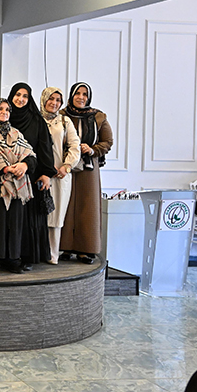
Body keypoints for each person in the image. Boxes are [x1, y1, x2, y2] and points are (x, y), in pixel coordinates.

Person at [0, 98, 36, 274]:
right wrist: (4, 167)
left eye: (7, 110)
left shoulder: (16, 133)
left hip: (16, 186)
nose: (4, 113)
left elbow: (30, 154)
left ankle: (11, 259)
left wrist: (23, 165)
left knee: (14, 224)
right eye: (0, 109)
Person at [60, 82, 113, 264]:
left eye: (84, 94)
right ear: (71, 95)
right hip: (66, 165)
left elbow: (107, 141)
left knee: (87, 207)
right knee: (66, 204)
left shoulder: (99, 117)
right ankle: (65, 246)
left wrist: (92, 149)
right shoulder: (62, 115)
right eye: (77, 93)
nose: (81, 97)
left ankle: (85, 249)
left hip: (88, 168)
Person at [7, 83, 57, 271]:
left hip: (32, 176)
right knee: (12, 219)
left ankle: (28, 256)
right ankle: (9, 256)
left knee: (29, 219)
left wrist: (46, 174)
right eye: (17, 95)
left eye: (25, 96)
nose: (20, 99)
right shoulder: (5, 117)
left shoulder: (36, 121)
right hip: (8, 178)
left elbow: (45, 148)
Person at [39, 87, 81, 264]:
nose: (54, 103)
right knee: (37, 215)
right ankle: (36, 253)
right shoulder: (35, 119)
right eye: (51, 98)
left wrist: (67, 166)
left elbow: (75, 146)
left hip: (60, 176)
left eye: (58, 100)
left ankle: (52, 254)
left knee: (56, 215)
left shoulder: (65, 121)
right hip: (39, 174)